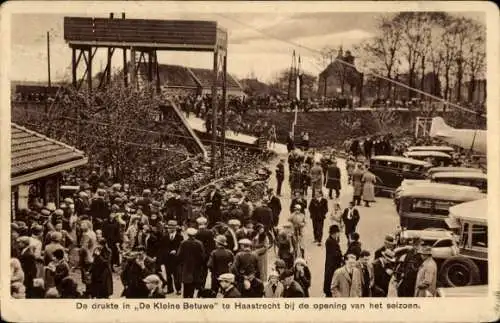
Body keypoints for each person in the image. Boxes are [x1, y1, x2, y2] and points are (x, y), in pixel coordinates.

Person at [177, 227, 206, 298]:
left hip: (186, 267)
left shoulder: (183, 243)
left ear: (187, 234)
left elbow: (179, 255)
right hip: (196, 268)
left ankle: (186, 299)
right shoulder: (199, 243)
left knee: (186, 286)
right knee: (193, 285)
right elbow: (203, 256)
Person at [158, 220, 183, 295]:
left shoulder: (180, 237)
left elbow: (181, 247)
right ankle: (170, 289)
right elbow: (162, 248)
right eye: (169, 227)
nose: (170, 229)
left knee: (177, 275)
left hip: (176, 260)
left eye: (172, 227)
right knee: (168, 275)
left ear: (175, 228)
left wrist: (176, 251)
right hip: (167, 259)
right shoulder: (164, 237)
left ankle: (178, 289)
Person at [323, 225, 343, 297]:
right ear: (334, 233)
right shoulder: (330, 241)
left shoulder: (332, 240)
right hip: (332, 265)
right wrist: (341, 256)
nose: (338, 234)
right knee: (330, 279)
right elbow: (335, 254)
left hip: (332, 264)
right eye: (338, 232)